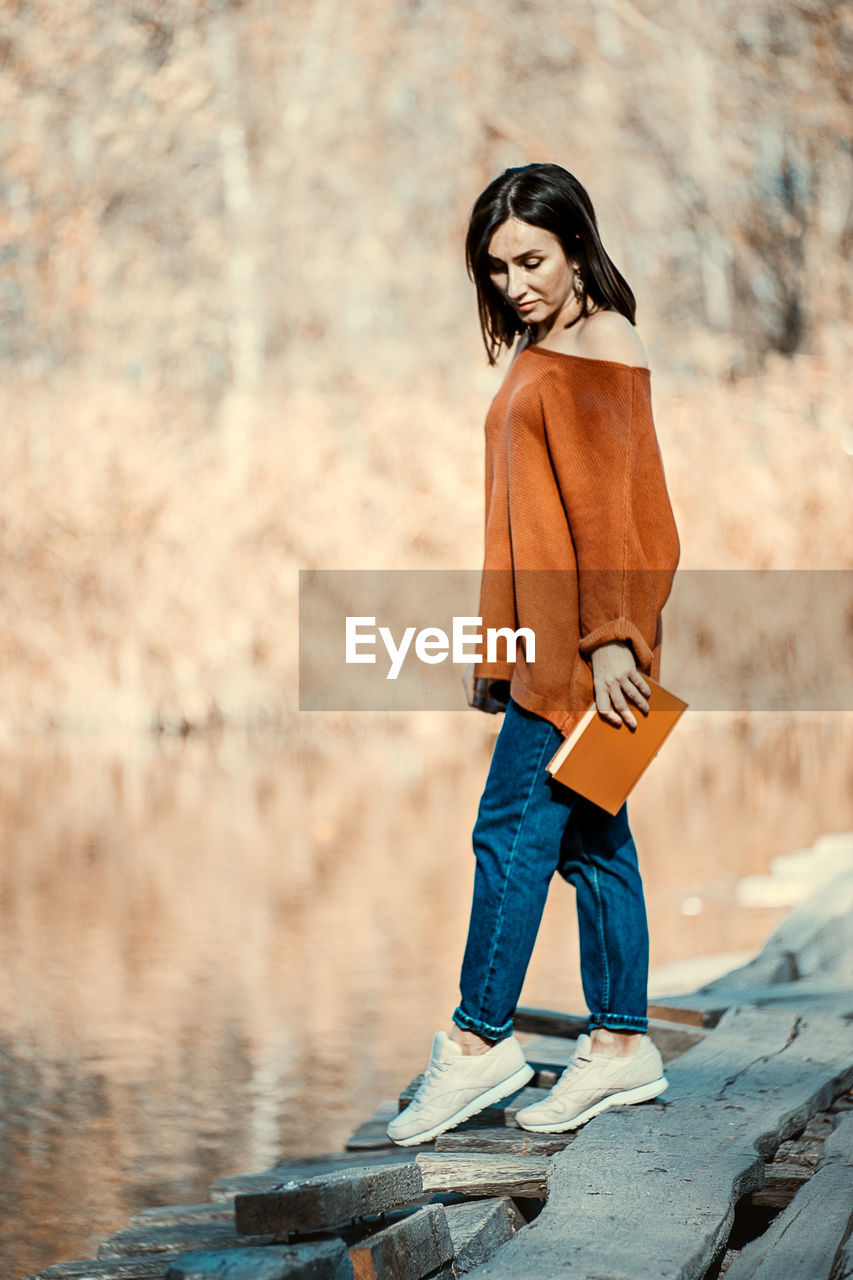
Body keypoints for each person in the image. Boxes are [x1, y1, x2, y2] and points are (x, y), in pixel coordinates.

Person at [387, 163, 681, 1146]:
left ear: (574, 244)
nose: (513, 281)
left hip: (582, 652)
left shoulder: (601, 342)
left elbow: (619, 517)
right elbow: (517, 521)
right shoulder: (539, 344)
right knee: (593, 844)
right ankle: (621, 1042)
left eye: (531, 259)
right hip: (544, 644)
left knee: (505, 831)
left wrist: (606, 642)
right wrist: (494, 648)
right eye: (497, 266)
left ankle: (479, 1042)